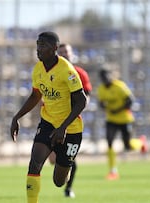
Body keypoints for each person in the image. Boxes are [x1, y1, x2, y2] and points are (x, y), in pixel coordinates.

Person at [10, 31, 87, 203]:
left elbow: (82, 102)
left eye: (43, 45)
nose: (38, 48)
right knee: (35, 163)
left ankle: (65, 170)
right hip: (48, 123)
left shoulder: (66, 70)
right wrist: (17, 117)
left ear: (54, 48)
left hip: (71, 129)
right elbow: (35, 96)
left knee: (59, 181)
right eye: (37, 44)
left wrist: (63, 128)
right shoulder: (38, 69)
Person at [47, 43, 92, 198]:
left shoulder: (80, 73)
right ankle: (65, 174)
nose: (65, 54)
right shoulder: (51, 72)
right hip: (52, 121)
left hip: (72, 124)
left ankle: (68, 189)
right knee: (53, 160)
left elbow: (86, 99)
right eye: (61, 52)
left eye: (67, 51)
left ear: (72, 54)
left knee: (69, 157)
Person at [97, 68, 147, 180]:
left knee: (128, 146)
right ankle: (113, 171)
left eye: (107, 75)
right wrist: (104, 106)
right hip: (111, 120)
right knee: (109, 142)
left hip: (125, 120)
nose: (105, 78)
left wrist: (117, 110)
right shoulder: (101, 89)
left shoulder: (119, 86)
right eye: (103, 77)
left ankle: (141, 142)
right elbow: (101, 103)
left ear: (111, 75)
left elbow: (130, 101)